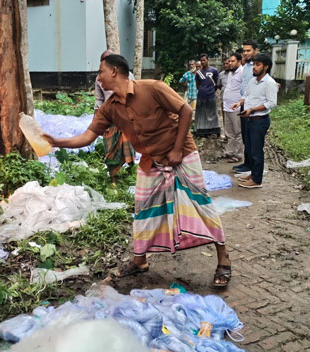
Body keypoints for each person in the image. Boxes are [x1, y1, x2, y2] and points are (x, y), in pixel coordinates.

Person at [44, 54, 232, 287]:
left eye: (101, 71)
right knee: (143, 208)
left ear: (114, 71)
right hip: (151, 160)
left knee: (200, 203)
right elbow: (87, 136)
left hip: (181, 153)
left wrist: (175, 150)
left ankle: (223, 260)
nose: (98, 77)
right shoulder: (109, 108)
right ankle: (139, 260)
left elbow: (186, 111)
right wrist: (56, 142)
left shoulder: (153, 88)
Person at [231, 53, 278, 189]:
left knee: (257, 151)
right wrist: (239, 103)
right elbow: (246, 96)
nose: (254, 68)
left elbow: (271, 103)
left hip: (259, 120)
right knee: (250, 150)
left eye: (258, 65)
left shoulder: (270, 83)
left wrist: (252, 110)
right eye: (254, 65)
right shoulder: (253, 81)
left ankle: (257, 180)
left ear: (266, 67)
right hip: (249, 119)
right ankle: (252, 174)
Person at [94, 50, 136, 184]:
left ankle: (130, 171)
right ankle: (113, 177)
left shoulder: (128, 76)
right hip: (109, 117)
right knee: (110, 147)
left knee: (128, 144)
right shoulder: (99, 79)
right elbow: (99, 100)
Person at [233, 40, 259, 175]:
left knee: (252, 137)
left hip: (253, 105)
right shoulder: (247, 66)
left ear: (255, 50)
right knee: (245, 135)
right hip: (244, 102)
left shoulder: (258, 65)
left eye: (248, 50)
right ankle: (247, 162)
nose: (245, 53)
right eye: (244, 51)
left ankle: (253, 167)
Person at [222, 52, 244, 163]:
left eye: (232, 61)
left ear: (239, 62)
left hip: (236, 107)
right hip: (227, 107)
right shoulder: (231, 73)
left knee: (238, 132)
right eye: (229, 61)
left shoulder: (242, 72)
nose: (230, 63)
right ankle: (229, 152)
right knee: (229, 133)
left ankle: (238, 154)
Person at [195, 54, 221, 136]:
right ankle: (202, 131)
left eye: (204, 60)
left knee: (212, 113)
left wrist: (212, 91)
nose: (203, 62)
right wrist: (203, 90)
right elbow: (197, 85)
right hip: (201, 96)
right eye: (201, 60)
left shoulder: (214, 70)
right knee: (202, 114)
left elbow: (217, 83)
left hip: (211, 95)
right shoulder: (199, 73)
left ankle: (214, 130)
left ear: (207, 60)